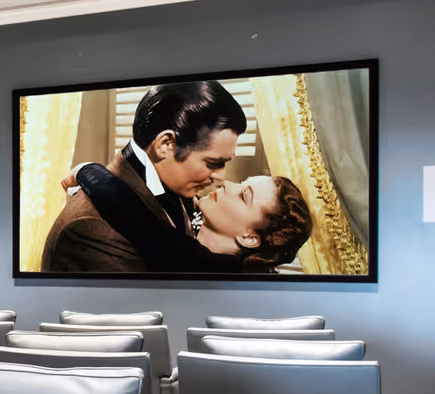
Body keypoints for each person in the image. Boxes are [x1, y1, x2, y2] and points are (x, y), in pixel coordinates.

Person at [39, 80, 246, 273]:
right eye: (213, 163)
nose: (221, 177)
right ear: (166, 144)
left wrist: (87, 171)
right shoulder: (92, 229)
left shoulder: (181, 193)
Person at [75, 162, 315, 273]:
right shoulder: (187, 213)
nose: (227, 183)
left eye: (243, 196)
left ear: (249, 237)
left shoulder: (207, 266)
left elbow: (127, 209)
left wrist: (85, 170)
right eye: (241, 183)